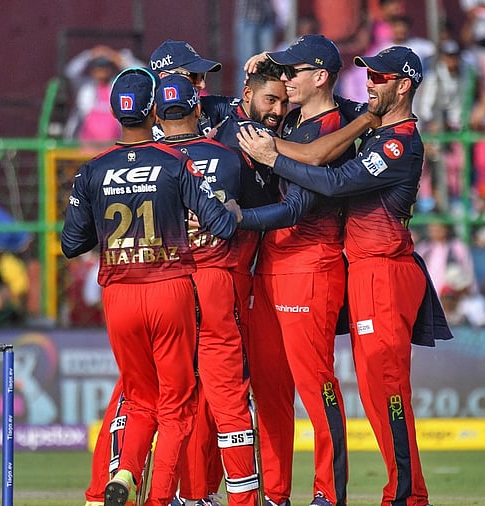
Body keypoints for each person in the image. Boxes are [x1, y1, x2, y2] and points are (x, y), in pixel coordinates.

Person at [238, 45, 452, 506]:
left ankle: (404, 497)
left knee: (386, 390)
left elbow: (333, 181)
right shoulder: (371, 125)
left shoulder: (398, 141)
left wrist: (273, 158)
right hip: (362, 271)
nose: (370, 83)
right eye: (368, 76)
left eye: (380, 77)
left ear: (404, 85)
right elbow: (340, 115)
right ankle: (396, 492)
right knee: (377, 394)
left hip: (382, 271)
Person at [61, 67, 242, 506]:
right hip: (168, 289)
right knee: (176, 406)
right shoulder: (176, 163)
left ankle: (125, 473)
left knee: (140, 399)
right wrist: (231, 209)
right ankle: (159, 499)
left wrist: (106, 231)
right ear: (153, 110)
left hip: (118, 295)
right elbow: (220, 226)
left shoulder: (92, 170)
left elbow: (71, 244)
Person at [157, 74, 261, 506]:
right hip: (216, 277)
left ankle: (179, 496)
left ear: (157, 115)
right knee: (228, 396)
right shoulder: (228, 157)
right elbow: (253, 214)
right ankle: (242, 500)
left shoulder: (141, 159)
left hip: (161, 283)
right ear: (198, 110)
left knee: (165, 397)